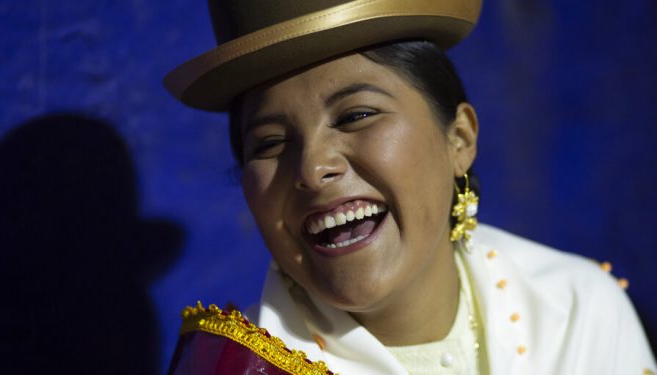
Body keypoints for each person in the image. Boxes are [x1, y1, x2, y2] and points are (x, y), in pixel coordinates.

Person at [164, 0, 656, 373]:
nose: (312, 169)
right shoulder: (240, 365)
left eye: (356, 115)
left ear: (459, 138)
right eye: (270, 143)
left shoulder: (576, 309)